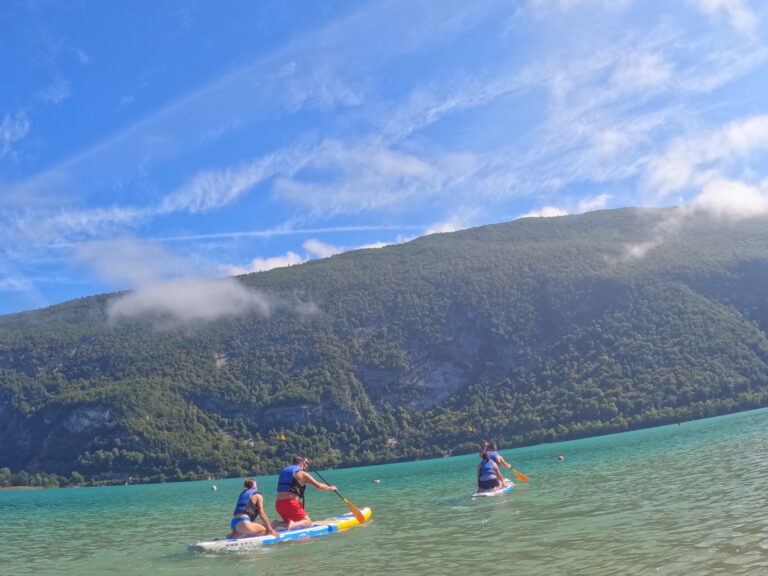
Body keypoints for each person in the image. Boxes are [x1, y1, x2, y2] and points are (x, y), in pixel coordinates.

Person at [275, 456, 337, 530]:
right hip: (290, 503)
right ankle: (293, 524)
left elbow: (295, 483)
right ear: (301, 464)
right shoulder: (303, 474)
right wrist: (330, 488)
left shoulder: (284, 472)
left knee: (289, 521)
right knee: (308, 522)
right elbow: (319, 486)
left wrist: (304, 462)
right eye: (305, 465)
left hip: (279, 504)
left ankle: (277, 523)